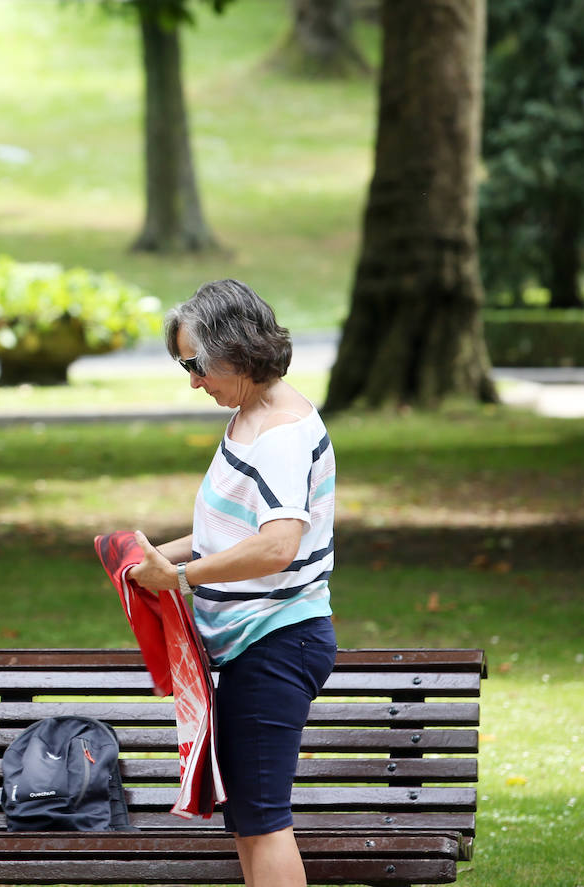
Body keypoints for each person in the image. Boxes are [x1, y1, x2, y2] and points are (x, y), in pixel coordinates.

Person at [128, 279, 337, 887]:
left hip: (275, 643)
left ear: (237, 352)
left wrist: (183, 576)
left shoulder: (280, 435)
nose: (192, 380)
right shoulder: (253, 414)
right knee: (248, 817)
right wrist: (148, 559)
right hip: (255, 645)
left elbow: (277, 545)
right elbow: (234, 530)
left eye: (196, 364)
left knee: (265, 819)